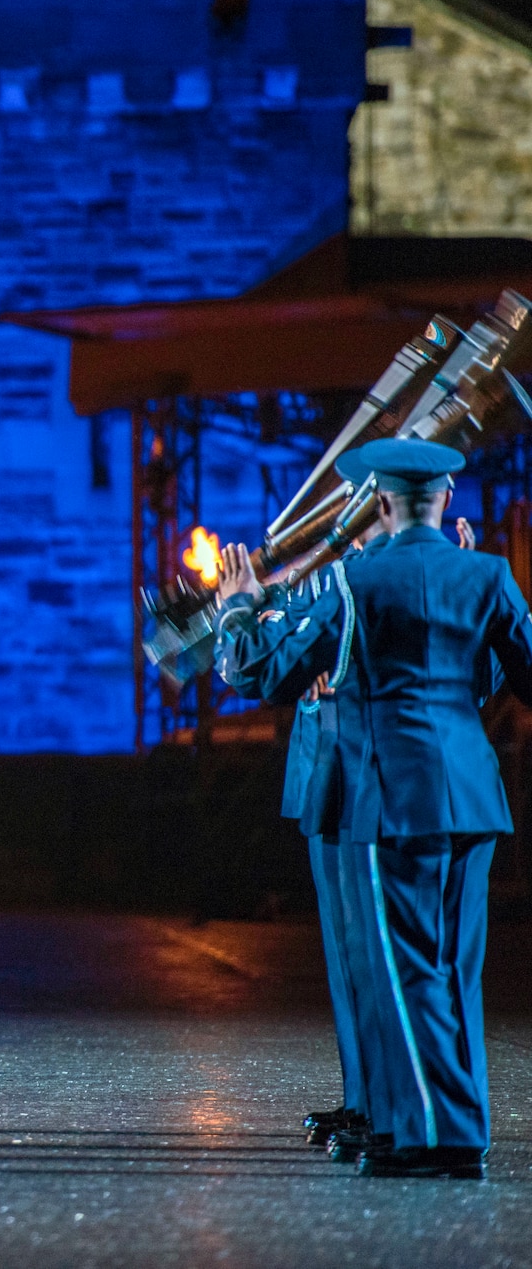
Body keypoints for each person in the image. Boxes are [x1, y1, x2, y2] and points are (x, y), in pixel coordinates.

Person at [217, 438, 532, 1180]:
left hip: (390, 794)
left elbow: (266, 670)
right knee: (455, 970)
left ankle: (440, 1135)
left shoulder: (355, 580)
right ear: (446, 497)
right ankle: (432, 1122)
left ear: (381, 503)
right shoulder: (488, 573)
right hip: (472, 793)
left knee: (404, 970)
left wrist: (236, 614)